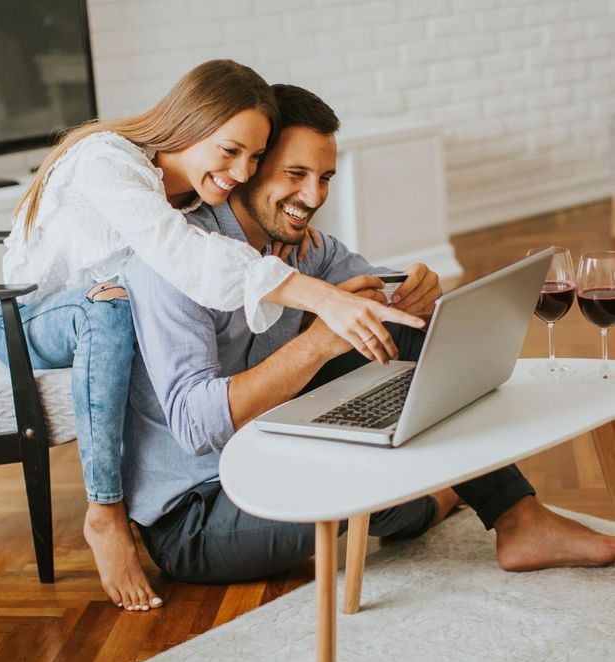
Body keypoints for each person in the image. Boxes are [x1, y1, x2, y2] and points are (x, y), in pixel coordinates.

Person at [121, 84, 615, 584]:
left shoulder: (305, 247)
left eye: (325, 178)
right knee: (372, 490)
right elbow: (195, 427)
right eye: (296, 174)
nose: (313, 197)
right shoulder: (176, 264)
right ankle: (434, 498)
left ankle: (518, 519)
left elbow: (387, 300)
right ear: (250, 166)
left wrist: (418, 294)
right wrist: (316, 343)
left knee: (411, 335)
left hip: (276, 448)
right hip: (201, 511)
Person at [0, 61, 411, 612]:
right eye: (231, 151)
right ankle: (105, 512)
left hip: (118, 313)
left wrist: (288, 247)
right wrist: (314, 296)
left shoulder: (194, 194)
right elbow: (180, 254)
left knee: (122, 308)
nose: (240, 172)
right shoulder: (108, 163)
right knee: (110, 313)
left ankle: (463, 496)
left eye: (255, 158)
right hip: (32, 316)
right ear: (190, 125)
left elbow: (215, 248)